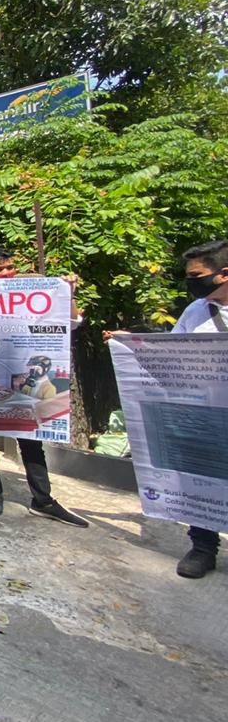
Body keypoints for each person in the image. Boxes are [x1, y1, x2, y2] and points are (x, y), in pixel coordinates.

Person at [0, 247, 87, 527]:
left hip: (23, 385)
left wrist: (67, 293)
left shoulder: (37, 293)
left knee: (31, 439)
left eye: (10, 267)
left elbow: (72, 323)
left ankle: (43, 500)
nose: (6, 273)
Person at [169, 238, 228, 578]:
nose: (191, 282)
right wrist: (132, 344)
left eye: (196, 276)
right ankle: (203, 547)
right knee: (202, 478)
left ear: (223, 274)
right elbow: (173, 352)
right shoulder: (195, 311)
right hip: (206, 411)